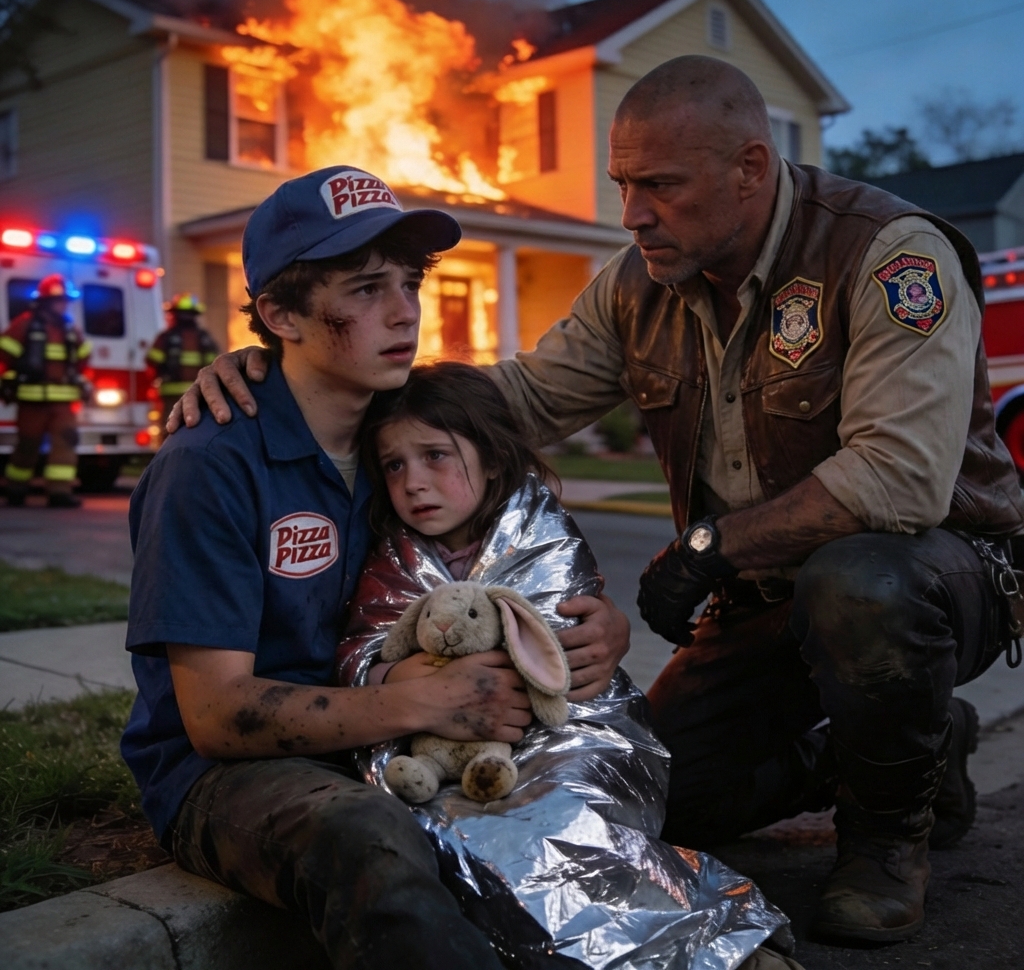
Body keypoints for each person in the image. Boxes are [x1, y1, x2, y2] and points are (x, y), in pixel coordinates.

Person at [173, 55, 1024, 948]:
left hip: (930, 576)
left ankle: (888, 840)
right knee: (661, 793)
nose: (632, 213)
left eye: (660, 185)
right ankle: (897, 752)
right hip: (762, 601)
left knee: (860, 584)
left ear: (749, 167)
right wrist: (288, 372)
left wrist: (705, 552)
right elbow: (515, 401)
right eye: (622, 184)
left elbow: (898, 478)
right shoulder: (639, 284)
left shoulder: (889, 256)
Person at [121, 165, 628, 970]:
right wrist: (424, 700)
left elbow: (506, 560)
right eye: (364, 290)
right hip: (233, 775)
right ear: (280, 315)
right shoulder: (211, 465)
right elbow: (215, 715)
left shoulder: (401, 438)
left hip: (403, 736)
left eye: (408, 284)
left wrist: (591, 630)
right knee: (372, 838)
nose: (404, 312)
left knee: (597, 791)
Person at [337, 360, 796, 968]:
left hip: (570, 731)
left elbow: (564, 648)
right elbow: (364, 650)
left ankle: (718, 945)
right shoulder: (392, 555)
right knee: (451, 831)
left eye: (436, 456)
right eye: (394, 465)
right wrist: (400, 679)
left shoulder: (540, 531)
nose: (414, 482)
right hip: (439, 750)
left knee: (561, 814)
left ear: (492, 458)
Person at [0, 273, 91, 507]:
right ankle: (15, 488)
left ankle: (59, 492)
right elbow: (4, 356)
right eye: (59, 301)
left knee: (66, 441)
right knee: (27, 445)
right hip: (31, 401)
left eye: (65, 301)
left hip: (63, 403)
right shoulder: (24, 325)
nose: (63, 305)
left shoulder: (70, 330)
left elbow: (83, 359)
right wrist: (9, 380)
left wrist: (83, 382)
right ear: (45, 302)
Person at [145, 293, 219, 437]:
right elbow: (215, 364)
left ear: (174, 314)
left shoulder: (166, 337)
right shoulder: (204, 338)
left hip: (171, 393)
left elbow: (152, 361)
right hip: (200, 393)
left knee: (170, 429)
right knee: (197, 428)